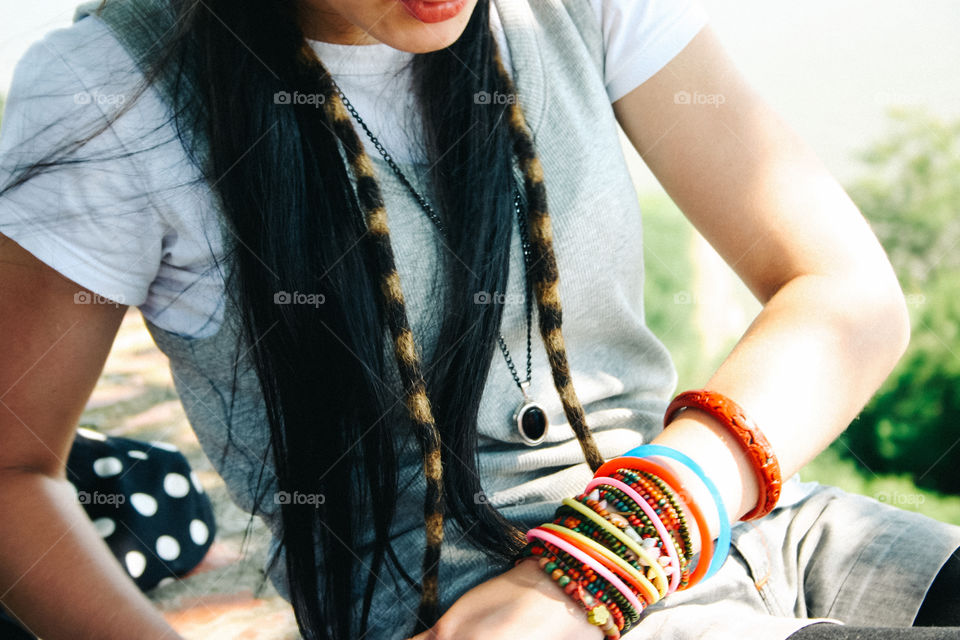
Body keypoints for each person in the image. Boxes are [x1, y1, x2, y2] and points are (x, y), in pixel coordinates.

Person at [0, 0, 958, 638]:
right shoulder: (114, 93)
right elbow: (13, 468)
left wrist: (605, 560)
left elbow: (843, 291)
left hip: (728, 522)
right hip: (464, 608)